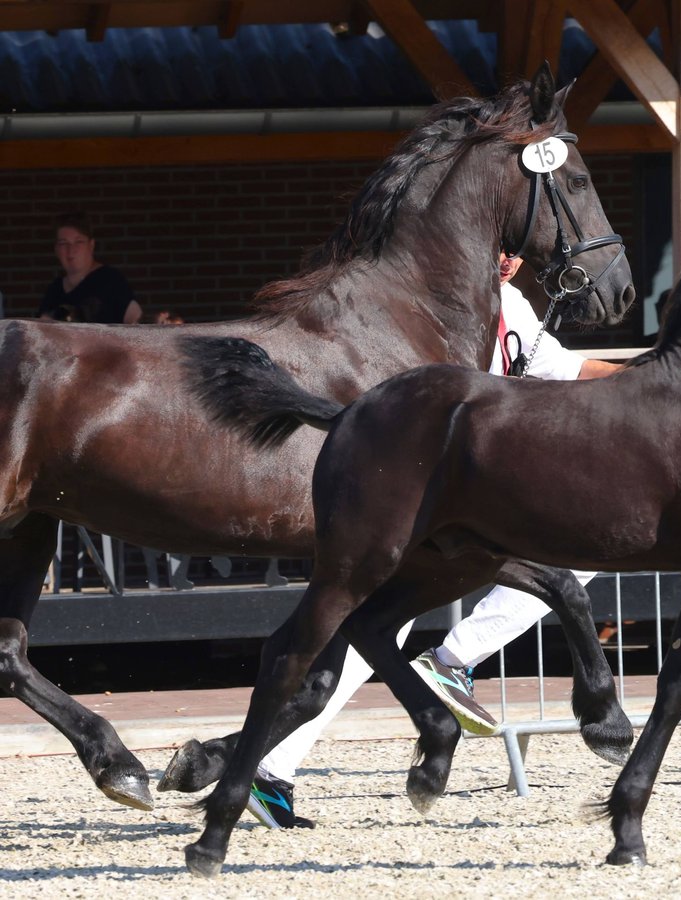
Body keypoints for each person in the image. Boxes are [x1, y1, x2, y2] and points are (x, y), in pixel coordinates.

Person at [246, 252, 621, 830]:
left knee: (376, 630)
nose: (508, 260)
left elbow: (566, 370)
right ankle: (448, 663)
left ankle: (268, 767)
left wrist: (658, 376)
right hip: (413, 492)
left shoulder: (514, 306)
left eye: (513, 251)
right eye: (498, 247)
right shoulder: (431, 306)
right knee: (371, 627)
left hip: (467, 498)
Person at [38, 212, 142, 325]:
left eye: (79, 242)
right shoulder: (54, 290)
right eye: (63, 243)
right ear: (56, 249)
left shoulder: (111, 280)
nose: (71, 250)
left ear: (91, 245)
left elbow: (135, 322)